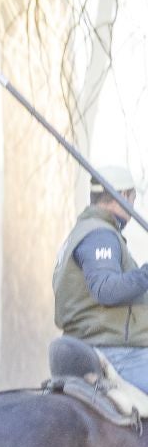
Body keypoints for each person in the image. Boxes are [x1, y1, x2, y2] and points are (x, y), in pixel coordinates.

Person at [53, 165, 148, 392]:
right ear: (123, 195)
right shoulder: (100, 234)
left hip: (99, 343)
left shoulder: (87, 231)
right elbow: (106, 289)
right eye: (133, 197)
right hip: (115, 351)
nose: (133, 205)